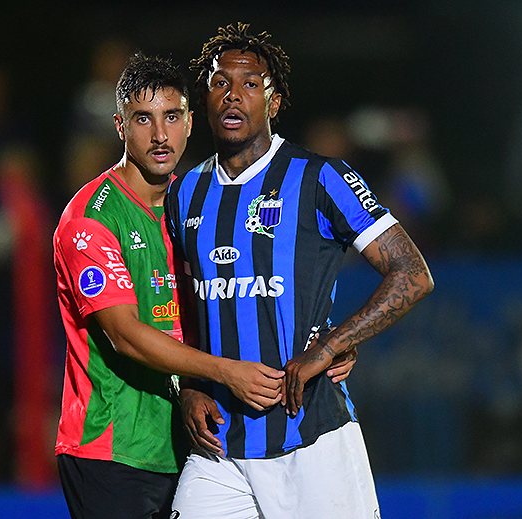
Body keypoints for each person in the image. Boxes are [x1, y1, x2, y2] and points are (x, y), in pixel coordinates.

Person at [53, 53, 356, 519]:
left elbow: (241, 294)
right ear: (120, 126)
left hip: (193, 443)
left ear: (190, 122)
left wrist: (327, 341)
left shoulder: (195, 201)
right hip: (113, 451)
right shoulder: (91, 219)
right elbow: (124, 334)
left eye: (172, 117)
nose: (160, 135)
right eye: (143, 119)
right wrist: (223, 372)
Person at [167, 22, 434, 518]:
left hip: (312, 437)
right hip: (221, 447)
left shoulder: (320, 178)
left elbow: (412, 273)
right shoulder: (185, 193)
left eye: (250, 84)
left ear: (274, 102)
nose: (233, 95)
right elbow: (182, 305)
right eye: (220, 82)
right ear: (204, 99)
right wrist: (190, 387)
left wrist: (332, 344)